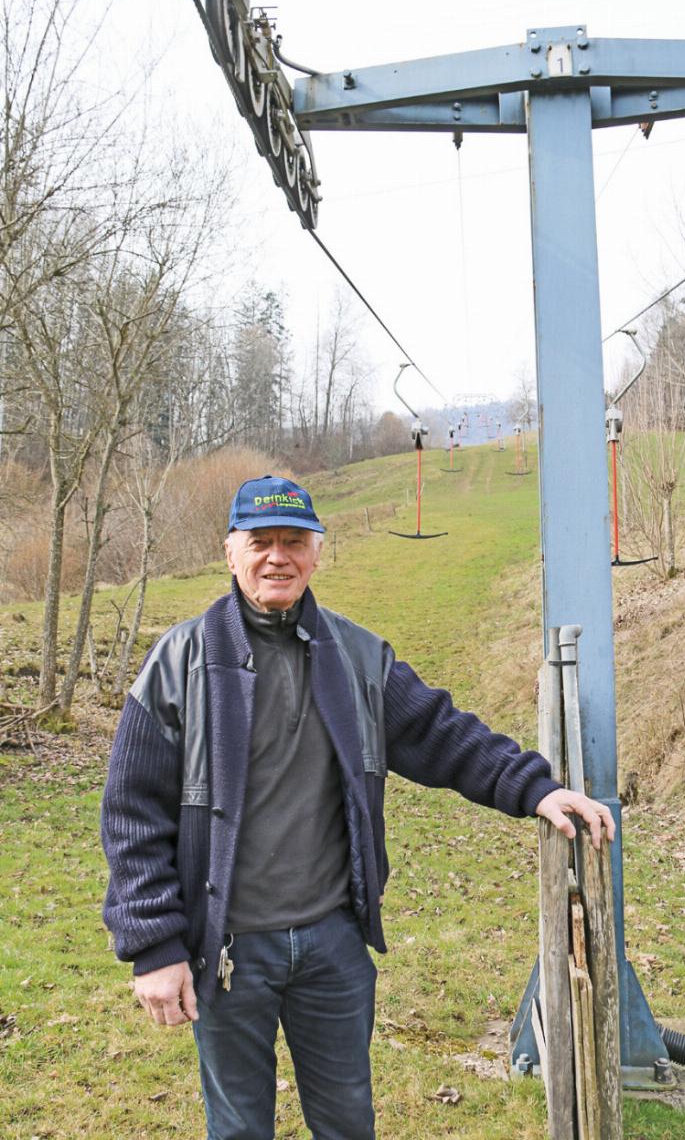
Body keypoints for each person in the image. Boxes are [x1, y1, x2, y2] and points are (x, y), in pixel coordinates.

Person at [101, 474, 615, 1140]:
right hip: (225, 951)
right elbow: (132, 815)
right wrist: (153, 947)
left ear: (317, 554)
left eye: (294, 542)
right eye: (260, 541)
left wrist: (536, 787)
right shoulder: (179, 663)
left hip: (331, 945)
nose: (277, 557)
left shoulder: (358, 658)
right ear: (231, 552)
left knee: (347, 1122)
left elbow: (441, 734)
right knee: (237, 1128)